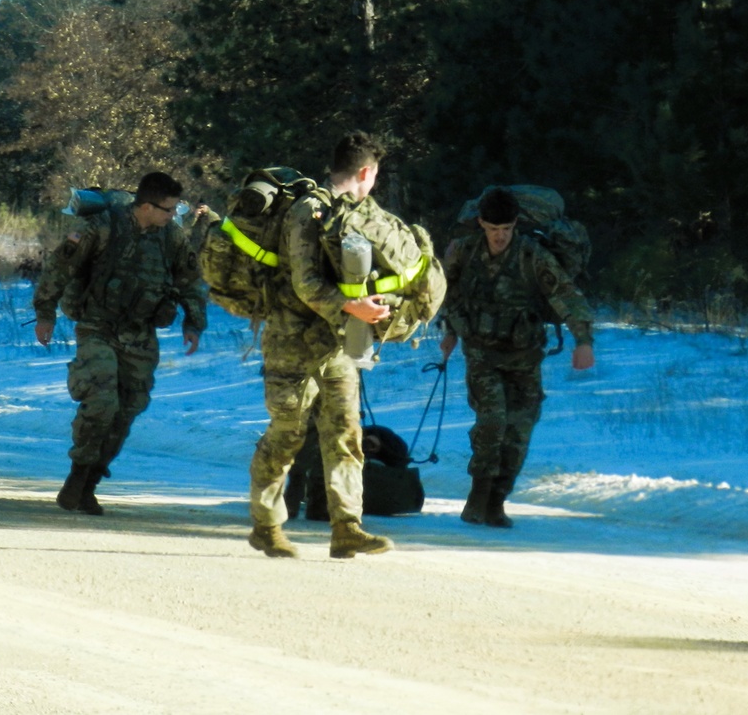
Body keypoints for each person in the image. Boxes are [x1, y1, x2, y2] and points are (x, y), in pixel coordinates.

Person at [248, 130, 410, 559]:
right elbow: (305, 284)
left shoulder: (353, 214)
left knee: (345, 434)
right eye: (374, 175)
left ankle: (347, 526)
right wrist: (352, 308)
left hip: (336, 346)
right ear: (364, 171)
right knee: (287, 435)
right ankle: (266, 525)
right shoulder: (308, 210)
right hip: (292, 344)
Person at [33, 171, 208, 516]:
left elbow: (189, 279)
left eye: (175, 210)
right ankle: (78, 473)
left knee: (128, 409)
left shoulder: (170, 237)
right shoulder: (100, 227)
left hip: (141, 333)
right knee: (101, 401)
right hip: (97, 326)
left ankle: (89, 483)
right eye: (167, 209)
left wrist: (193, 321)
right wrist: (45, 313)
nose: (172, 216)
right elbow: (59, 268)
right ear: (145, 205)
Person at [440, 187, 595, 528]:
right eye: (494, 229)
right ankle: (477, 497)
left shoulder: (532, 256)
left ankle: (496, 501)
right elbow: (445, 290)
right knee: (492, 423)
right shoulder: (465, 252)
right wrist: (449, 331)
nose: (500, 236)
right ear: (481, 224)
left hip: (525, 357)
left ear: (515, 226)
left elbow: (566, 295)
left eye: (506, 229)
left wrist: (583, 340)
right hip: (482, 352)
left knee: (519, 432)